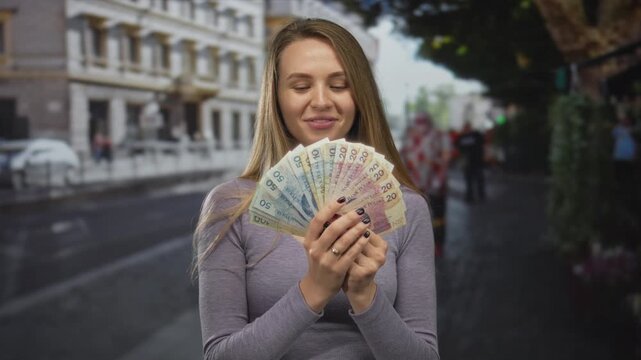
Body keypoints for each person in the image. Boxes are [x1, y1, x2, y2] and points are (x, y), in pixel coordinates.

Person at [193, 19, 439, 359]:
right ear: (276, 98)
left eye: (339, 85)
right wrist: (315, 288)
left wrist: (364, 295)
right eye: (301, 86)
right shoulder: (229, 206)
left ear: (360, 96)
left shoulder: (409, 208)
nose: (321, 101)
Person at [400, 112, 450, 256]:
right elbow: (404, 157)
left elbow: (445, 159)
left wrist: (439, 179)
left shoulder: (439, 136)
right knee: (415, 216)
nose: (420, 126)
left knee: (438, 216)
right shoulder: (410, 136)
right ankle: (417, 245)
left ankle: (438, 244)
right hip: (414, 184)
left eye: (423, 122)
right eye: (418, 122)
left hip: (435, 184)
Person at [456, 121, 486, 203]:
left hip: (477, 161)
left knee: (479, 179)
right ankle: (470, 196)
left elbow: (482, 144)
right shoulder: (461, 137)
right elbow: (458, 147)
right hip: (467, 163)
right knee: (468, 181)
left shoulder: (476, 135)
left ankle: (481, 196)